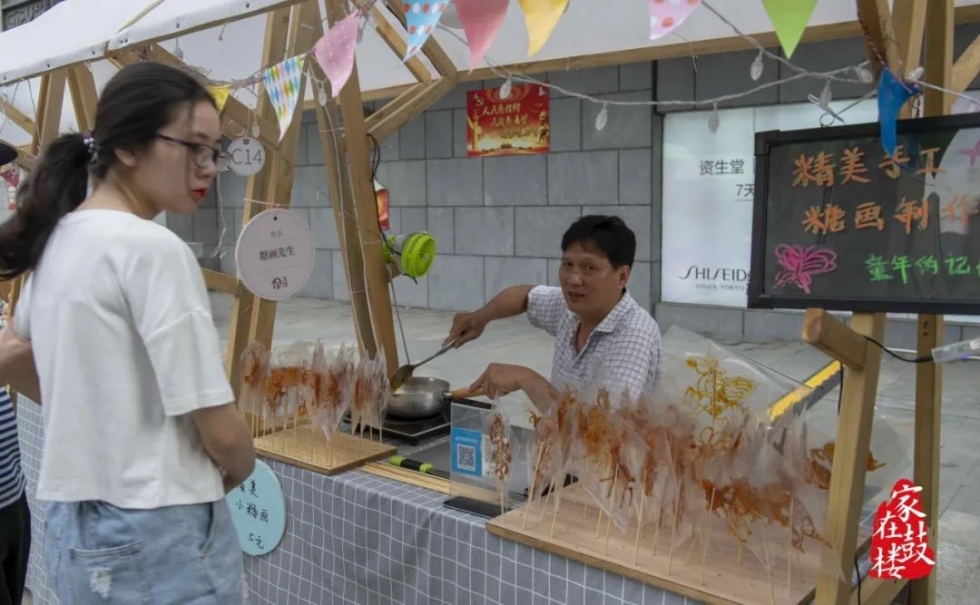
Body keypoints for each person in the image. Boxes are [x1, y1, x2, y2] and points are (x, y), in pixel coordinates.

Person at [0, 62, 255, 603]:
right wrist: (237, 467)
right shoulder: (153, 249)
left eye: (214, 151)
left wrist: (97, 413)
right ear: (129, 149)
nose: (208, 167)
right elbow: (221, 429)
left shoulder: (58, 240)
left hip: (74, 528)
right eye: (193, 146)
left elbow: (14, 354)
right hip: (160, 526)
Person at [445, 215, 662, 411]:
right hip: (561, 447)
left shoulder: (634, 334)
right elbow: (525, 296)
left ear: (622, 277)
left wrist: (525, 378)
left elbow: (601, 433)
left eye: (589, 268)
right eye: (567, 264)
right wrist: (480, 317)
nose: (573, 279)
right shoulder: (572, 309)